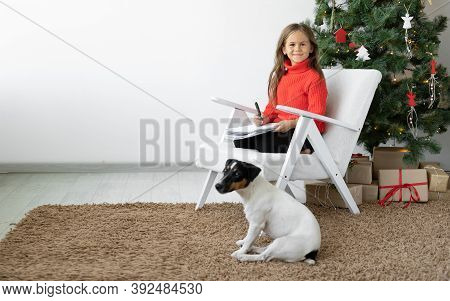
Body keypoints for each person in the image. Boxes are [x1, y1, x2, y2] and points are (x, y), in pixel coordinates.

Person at [234, 23, 327, 154]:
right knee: (240, 140)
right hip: (280, 127)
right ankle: (296, 148)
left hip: (303, 131)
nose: (297, 49)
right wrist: (264, 118)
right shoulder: (280, 75)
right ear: (284, 49)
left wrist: (292, 123)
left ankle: (304, 147)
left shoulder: (314, 78)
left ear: (311, 48)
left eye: (303, 44)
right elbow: (272, 108)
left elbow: (316, 116)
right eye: (292, 44)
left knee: (266, 142)